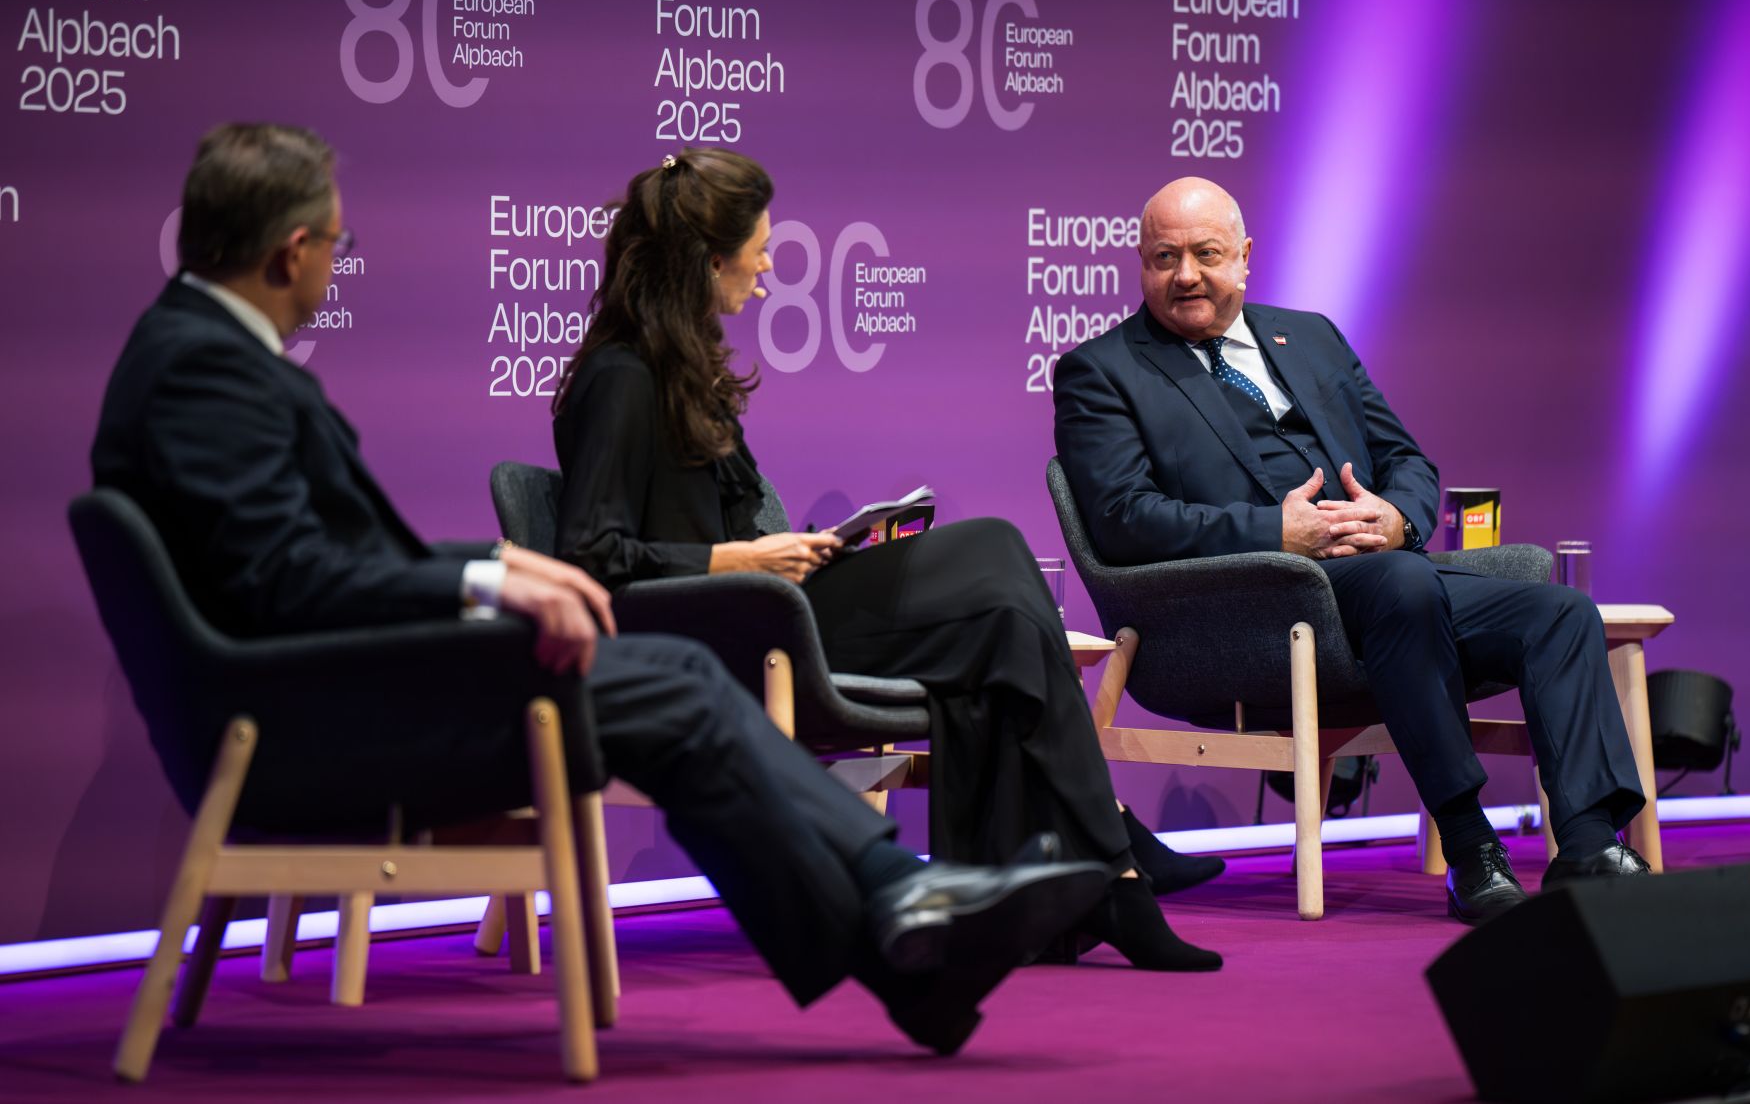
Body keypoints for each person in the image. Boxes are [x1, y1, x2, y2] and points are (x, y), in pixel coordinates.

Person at [89, 122, 1117, 1057]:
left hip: (323, 692)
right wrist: (483, 574)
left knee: (670, 675)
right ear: (291, 251)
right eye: (337, 248)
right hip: (306, 720)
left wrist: (485, 569)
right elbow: (288, 581)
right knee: (671, 678)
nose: (332, 270)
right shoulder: (204, 373)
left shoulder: (197, 356)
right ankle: (904, 915)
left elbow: (292, 566)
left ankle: (905, 932)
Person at [550, 147, 1224, 973]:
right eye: (757, 250)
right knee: (995, 585)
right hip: (718, 637)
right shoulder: (618, 378)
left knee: (1001, 595)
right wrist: (735, 558)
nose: (766, 271)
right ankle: (1109, 857)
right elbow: (590, 557)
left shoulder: (683, 369)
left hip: (765, 608)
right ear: (705, 259)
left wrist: (797, 553)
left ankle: (1096, 875)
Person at [1052, 176, 1650, 926]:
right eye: (1164, 257)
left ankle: (1589, 846)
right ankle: (1471, 848)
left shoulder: (1311, 337)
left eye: (1206, 254)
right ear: (1140, 264)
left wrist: (1398, 517)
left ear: (1244, 258)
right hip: (1250, 606)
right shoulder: (1103, 370)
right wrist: (1277, 532)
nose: (1185, 276)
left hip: (1384, 574)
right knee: (1404, 586)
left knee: (1560, 614)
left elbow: (1407, 461)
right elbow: (1122, 519)